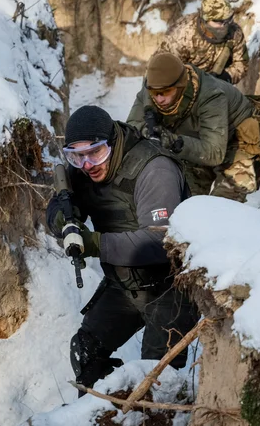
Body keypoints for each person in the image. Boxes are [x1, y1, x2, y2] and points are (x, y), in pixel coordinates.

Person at [46, 105, 199, 393]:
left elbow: (162, 243)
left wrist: (94, 243)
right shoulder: (83, 166)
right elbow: (57, 204)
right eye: (76, 156)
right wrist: (65, 222)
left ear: (113, 143)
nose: (88, 164)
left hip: (171, 287)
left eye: (96, 152)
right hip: (125, 285)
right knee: (86, 350)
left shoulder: (154, 169)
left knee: (156, 382)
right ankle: (104, 409)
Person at [126, 52, 260, 202]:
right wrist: (149, 133)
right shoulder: (151, 88)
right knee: (183, 200)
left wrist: (174, 142)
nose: (159, 98)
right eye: (154, 93)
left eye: (165, 92)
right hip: (197, 141)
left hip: (239, 142)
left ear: (180, 86)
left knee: (223, 204)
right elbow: (130, 131)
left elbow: (214, 153)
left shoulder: (211, 96)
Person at [154, 0, 249, 84]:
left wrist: (226, 77)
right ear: (205, 20)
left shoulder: (235, 32)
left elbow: (241, 63)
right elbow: (161, 68)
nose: (224, 25)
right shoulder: (182, 34)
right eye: (219, 21)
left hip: (216, 85)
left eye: (228, 19)